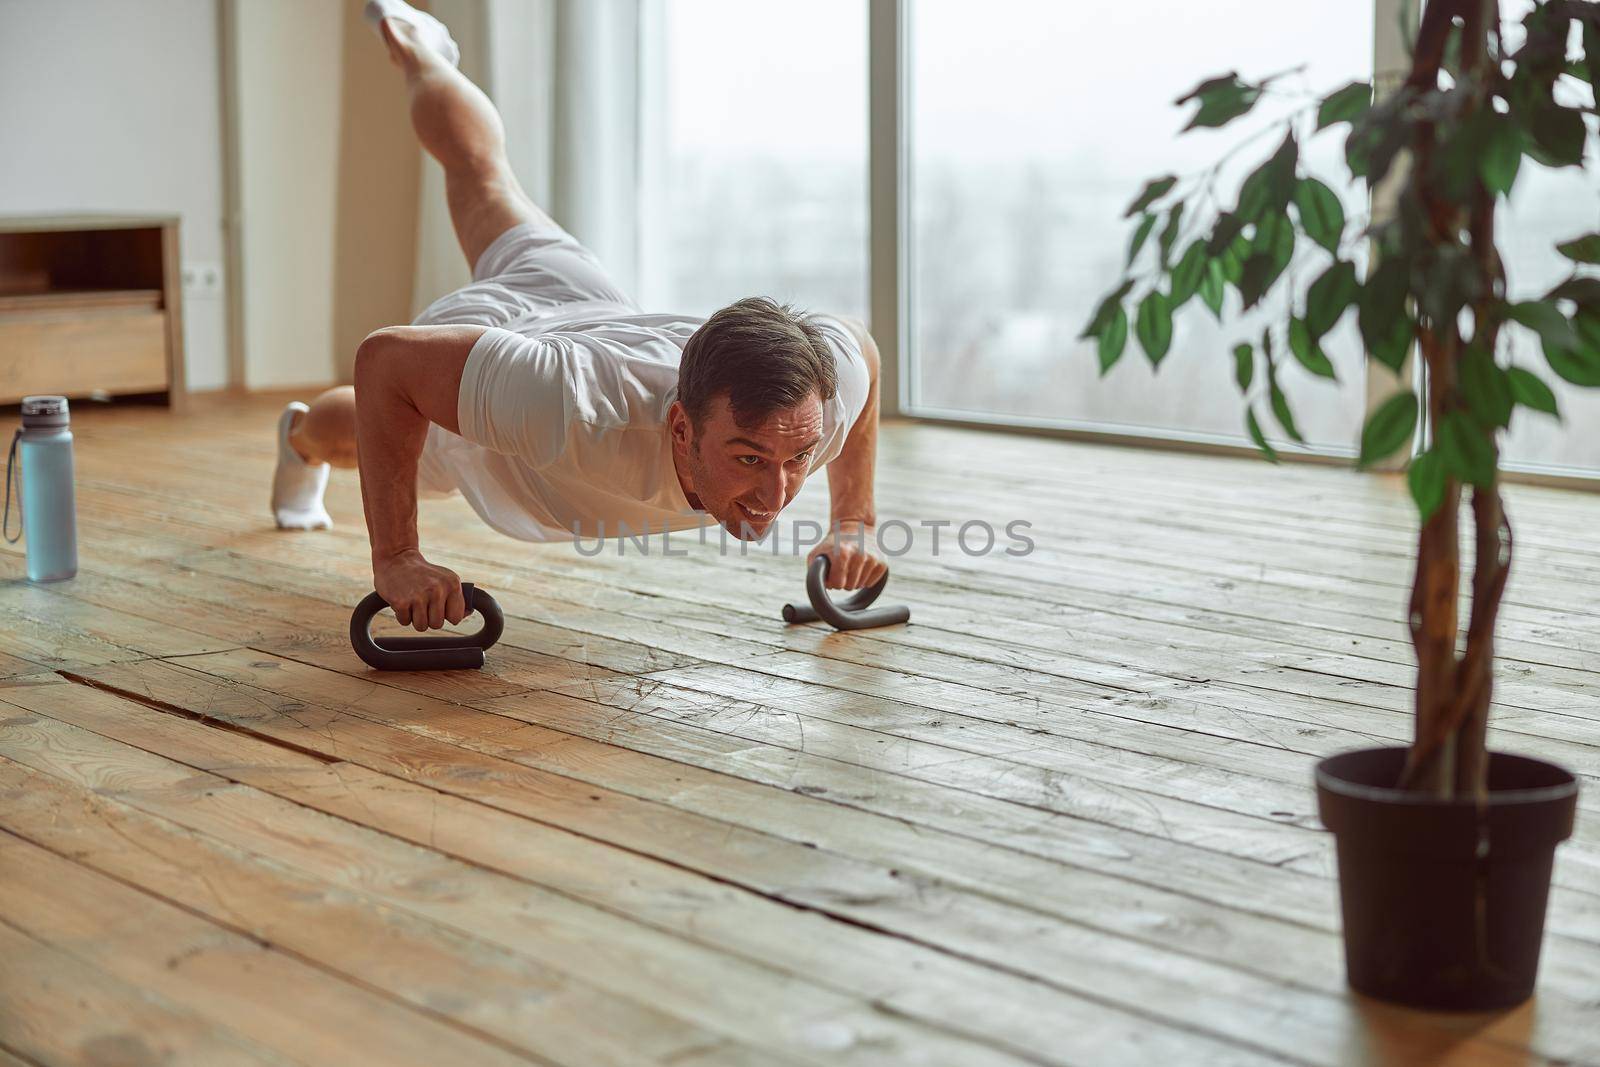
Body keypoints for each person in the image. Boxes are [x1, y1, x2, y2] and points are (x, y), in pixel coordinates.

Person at [270, 0, 887, 633]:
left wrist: (854, 524)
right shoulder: (572, 408)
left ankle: (421, 44)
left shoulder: (817, 395)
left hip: (580, 302)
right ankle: (298, 440)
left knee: (485, 178)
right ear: (680, 428)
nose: (776, 496)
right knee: (358, 423)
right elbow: (387, 362)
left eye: (797, 460)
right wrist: (397, 557)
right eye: (750, 460)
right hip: (500, 354)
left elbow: (859, 347)